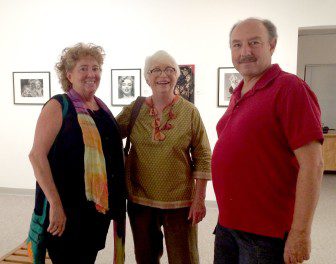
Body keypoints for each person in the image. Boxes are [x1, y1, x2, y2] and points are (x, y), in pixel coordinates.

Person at [212, 18, 324, 264]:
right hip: (228, 224)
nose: (245, 52)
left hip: (265, 233)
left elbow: (313, 165)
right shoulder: (240, 90)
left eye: (254, 43)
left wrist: (300, 233)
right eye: (237, 45)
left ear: (272, 45)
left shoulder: (289, 88)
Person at [28, 43, 126, 264]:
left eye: (96, 68)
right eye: (83, 68)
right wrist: (55, 204)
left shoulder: (101, 108)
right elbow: (36, 155)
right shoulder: (58, 106)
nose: (91, 74)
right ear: (69, 74)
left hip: (96, 211)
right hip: (67, 212)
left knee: (87, 257)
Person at [116, 50, 211, 264]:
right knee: (145, 258)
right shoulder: (135, 109)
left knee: (183, 258)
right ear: (147, 78)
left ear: (177, 75)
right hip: (140, 199)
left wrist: (199, 200)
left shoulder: (189, 112)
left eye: (169, 69)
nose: (163, 75)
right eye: (156, 70)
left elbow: (203, 155)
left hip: (180, 202)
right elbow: (108, 133)